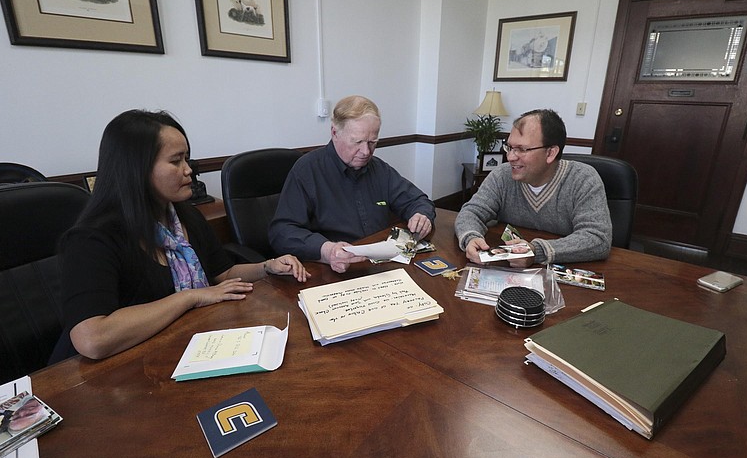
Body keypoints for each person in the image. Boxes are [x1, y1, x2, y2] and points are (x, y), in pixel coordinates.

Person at [49, 110, 310, 362]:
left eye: (187, 159)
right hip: (113, 374)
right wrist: (190, 297)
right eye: (176, 161)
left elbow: (223, 275)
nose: (188, 170)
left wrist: (267, 267)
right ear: (136, 169)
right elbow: (92, 339)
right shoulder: (93, 239)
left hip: (185, 348)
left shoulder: (183, 215)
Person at [268, 95, 436, 273]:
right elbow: (282, 232)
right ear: (334, 133)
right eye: (357, 142)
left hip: (378, 265)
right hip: (331, 269)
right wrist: (327, 250)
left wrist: (421, 215)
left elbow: (418, 200)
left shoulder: (378, 169)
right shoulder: (307, 170)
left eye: (373, 142)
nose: (366, 152)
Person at [454, 108, 612, 267]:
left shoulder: (583, 179)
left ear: (550, 153)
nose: (510, 157)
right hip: (508, 272)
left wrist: (536, 251)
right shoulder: (502, 174)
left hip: (563, 273)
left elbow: (598, 239)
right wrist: (471, 237)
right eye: (509, 147)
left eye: (522, 149)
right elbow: (471, 212)